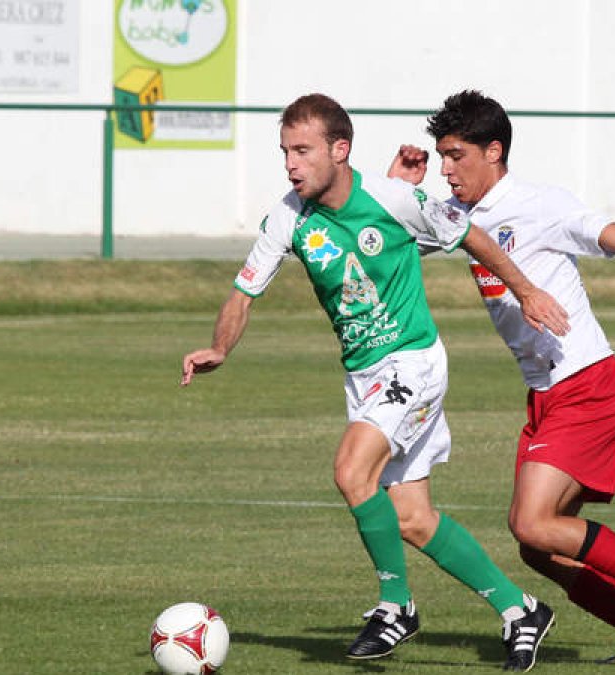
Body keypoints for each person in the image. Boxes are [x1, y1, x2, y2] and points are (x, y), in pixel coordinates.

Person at [180, 93, 570, 672]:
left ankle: (396, 605)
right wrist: (220, 346)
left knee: (350, 471)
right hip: (364, 376)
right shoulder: (288, 216)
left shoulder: (392, 199)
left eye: (303, 150)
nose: (291, 163)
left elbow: (471, 236)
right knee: (411, 518)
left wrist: (527, 290)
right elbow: (244, 292)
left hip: (411, 363)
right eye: (285, 151)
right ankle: (520, 610)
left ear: (340, 151)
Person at [388, 90, 615, 667]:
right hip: (547, 397)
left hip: (588, 385)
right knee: (541, 548)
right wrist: (399, 186)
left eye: (456, 155)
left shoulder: (540, 205)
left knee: (532, 523)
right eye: (441, 156)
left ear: (494, 151)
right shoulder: (459, 217)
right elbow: (387, 240)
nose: (446, 169)